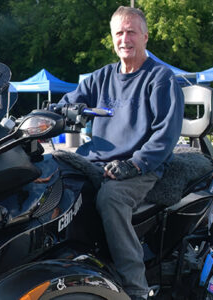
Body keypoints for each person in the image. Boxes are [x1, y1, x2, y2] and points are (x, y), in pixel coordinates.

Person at [58, 6, 184, 300]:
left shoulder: (160, 79)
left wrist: (135, 164)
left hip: (142, 167)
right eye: (119, 33)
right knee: (51, 175)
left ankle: (135, 288)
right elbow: (64, 105)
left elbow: (165, 136)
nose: (124, 38)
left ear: (145, 37)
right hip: (95, 161)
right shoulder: (100, 78)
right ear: (112, 38)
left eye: (131, 32)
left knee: (110, 197)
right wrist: (47, 117)